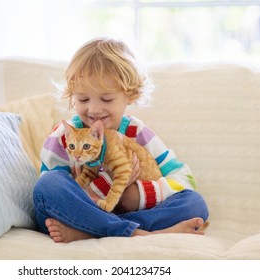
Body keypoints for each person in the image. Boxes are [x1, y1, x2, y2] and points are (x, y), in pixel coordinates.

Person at [33, 37, 209, 243]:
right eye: (83, 99)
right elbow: (54, 193)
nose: (94, 109)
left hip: (124, 214)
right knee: (47, 185)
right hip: (79, 214)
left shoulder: (137, 132)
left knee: (195, 204)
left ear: (130, 96)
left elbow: (185, 178)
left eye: (106, 99)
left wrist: (135, 196)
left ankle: (96, 231)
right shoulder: (64, 136)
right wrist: (91, 191)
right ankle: (134, 233)